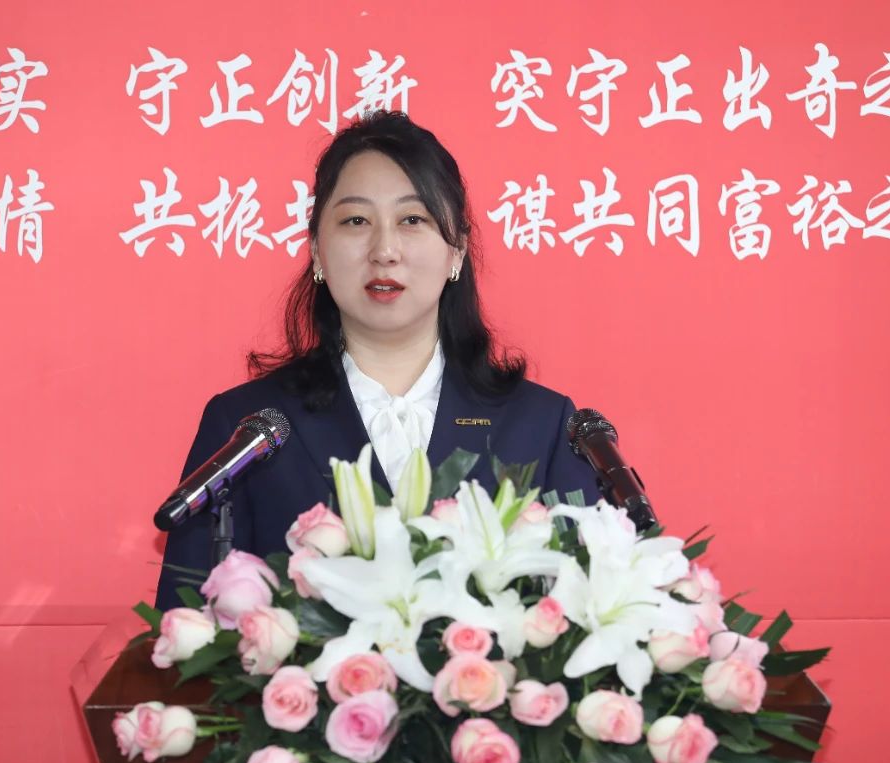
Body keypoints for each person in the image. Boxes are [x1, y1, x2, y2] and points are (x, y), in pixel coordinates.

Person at [155, 111, 604, 611]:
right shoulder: (247, 430)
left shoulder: (542, 428)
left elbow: (584, 611)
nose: (384, 250)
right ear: (317, 251)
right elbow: (184, 628)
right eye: (356, 221)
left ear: (456, 251)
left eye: (413, 220)